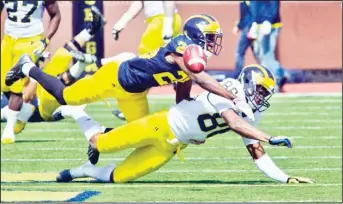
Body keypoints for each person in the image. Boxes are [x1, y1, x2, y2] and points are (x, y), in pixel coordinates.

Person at [55, 64, 314, 184]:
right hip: (160, 125)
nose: (261, 98)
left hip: (173, 146)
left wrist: (286, 178)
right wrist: (269, 137)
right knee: (99, 143)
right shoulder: (230, 89)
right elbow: (233, 122)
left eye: (264, 93)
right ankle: (77, 111)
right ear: (246, 83)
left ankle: (83, 171)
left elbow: (256, 152)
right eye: (259, 91)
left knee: (120, 177)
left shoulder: (251, 114)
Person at [6, 14, 255, 126]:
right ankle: (27, 66)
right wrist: (233, 97)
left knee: (143, 133)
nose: (213, 43)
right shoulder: (183, 47)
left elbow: (184, 82)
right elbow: (200, 78)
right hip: (115, 77)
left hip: (135, 92)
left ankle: (101, 138)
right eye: (210, 37)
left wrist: (184, 105)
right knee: (65, 97)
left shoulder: (191, 54)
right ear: (196, 36)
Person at [1, 0, 61, 144]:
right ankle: (23, 111)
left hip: (31, 40)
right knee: (4, 84)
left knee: (17, 85)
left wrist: (45, 41)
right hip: (8, 39)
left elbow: (56, 15)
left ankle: (9, 130)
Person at [111, 1, 182, 121]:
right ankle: (185, 103)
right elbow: (139, 2)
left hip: (161, 20)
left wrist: (167, 23)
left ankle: (133, 105)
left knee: (144, 63)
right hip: (161, 20)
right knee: (170, 63)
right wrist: (123, 20)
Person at [248, 0, 287, 92]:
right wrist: (253, 22)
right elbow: (253, 7)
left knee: (267, 54)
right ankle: (279, 74)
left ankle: (276, 79)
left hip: (269, 24)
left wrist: (268, 20)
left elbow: (273, 4)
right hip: (258, 24)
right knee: (259, 54)